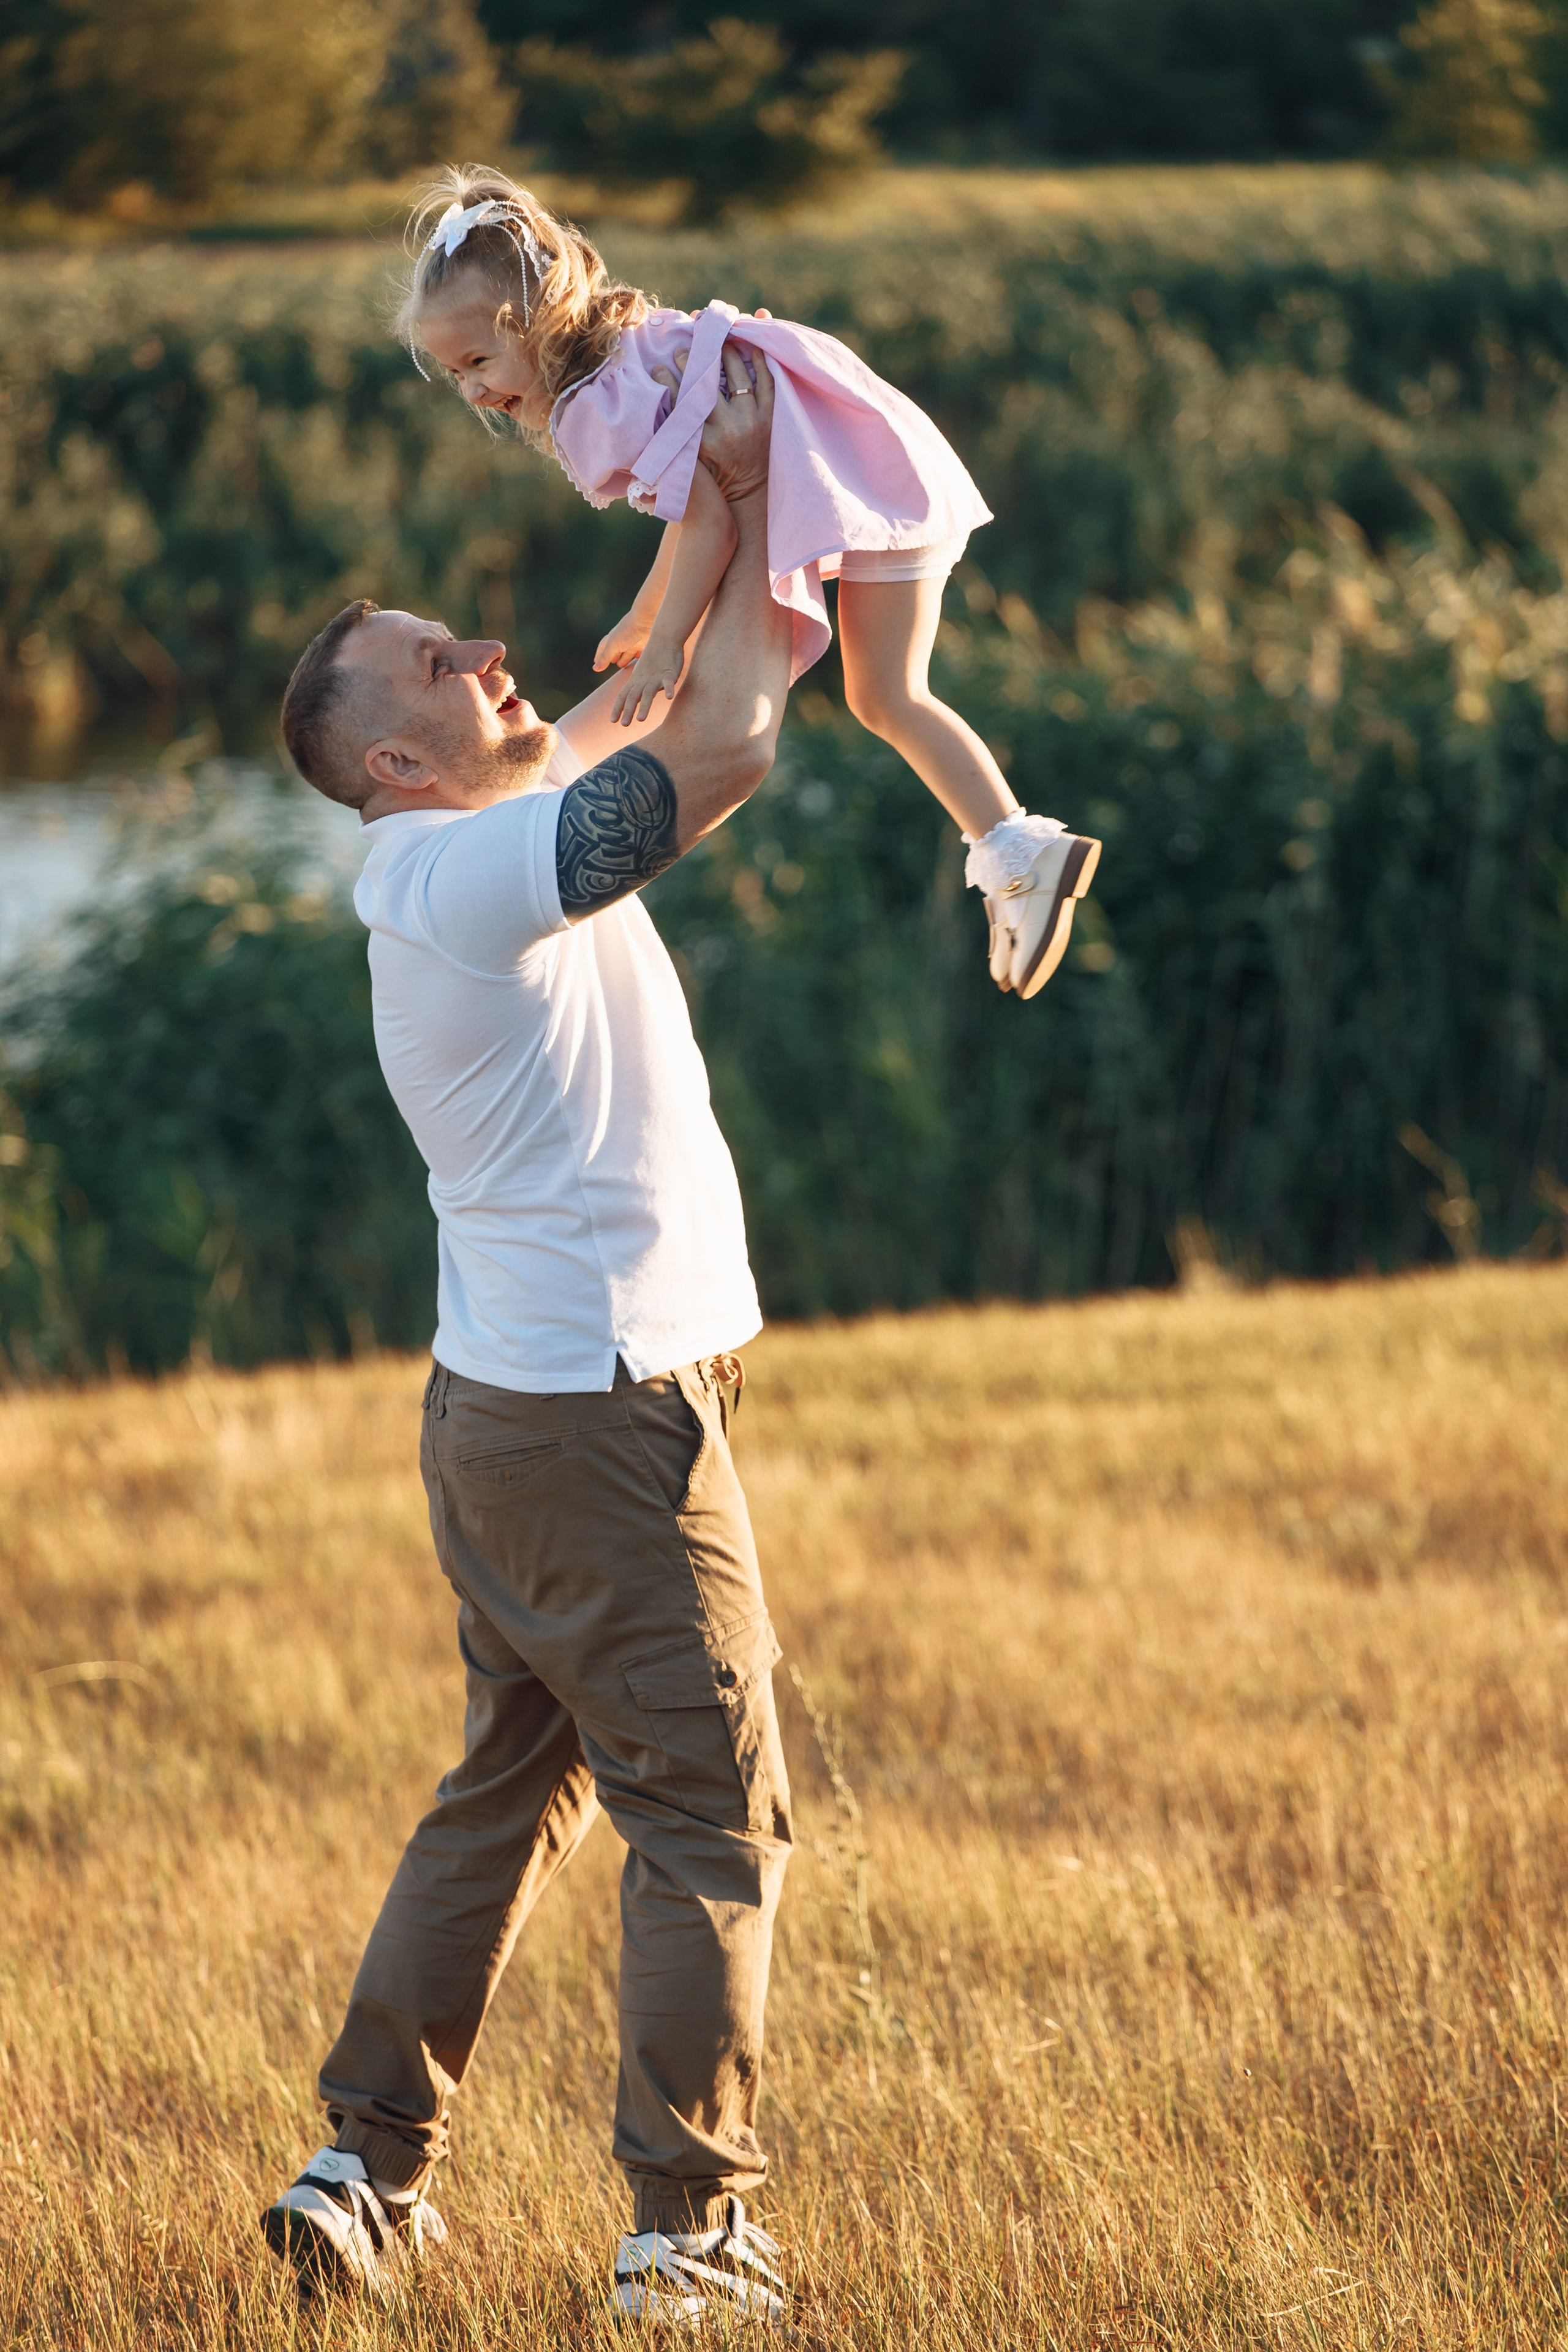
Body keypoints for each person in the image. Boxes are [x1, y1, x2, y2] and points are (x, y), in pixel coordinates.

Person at [260, 342, 795, 2328]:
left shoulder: (468, 827)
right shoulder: (472, 874)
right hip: (597, 1424)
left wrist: (746, 475)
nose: (485, 648)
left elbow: (663, 688)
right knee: (715, 1813)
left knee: (515, 1782)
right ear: (391, 762)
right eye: (435, 665)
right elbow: (724, 752)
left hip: (514, 1414)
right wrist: (762, 563)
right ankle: (687, 2235)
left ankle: (362, 2174)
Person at [400, 163, 1102, 1003]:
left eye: (480, 359)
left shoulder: (594, 411)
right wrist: (647, 614)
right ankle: (1011, 844)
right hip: (866, 452)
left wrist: (664, 646)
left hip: (859, 475)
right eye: (456, 376)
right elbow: (692, 507)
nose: (475, 390)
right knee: (879, 692)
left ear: (540, 320)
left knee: (884, 697)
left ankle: (1017, 852)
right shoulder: (623, 351)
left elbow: (711, 522)